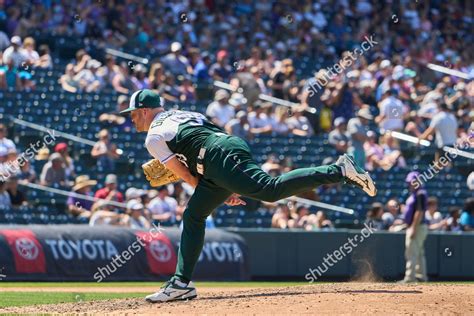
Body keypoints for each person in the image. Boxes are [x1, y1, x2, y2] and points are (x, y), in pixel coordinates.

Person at [119, 89, 376, 302]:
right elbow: (206, 141)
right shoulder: (183, 113)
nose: (131, 119)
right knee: (194, 214)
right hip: (220, 153)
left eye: (132, 113)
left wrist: (224, 180)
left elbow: (186, 177)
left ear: (143, 110)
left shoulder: (153, 137)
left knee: (270, 190)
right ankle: (181, 283)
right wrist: (225, 184)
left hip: (214, 158)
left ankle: (339, 169)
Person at [400, 171, 428, 283]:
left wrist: (413, 228)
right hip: (419, 226)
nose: (410, 184)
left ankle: (410, 277)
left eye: (412, 182)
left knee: (411, 252)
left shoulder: (420, 193)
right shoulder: (417, 193)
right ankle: (421, 276)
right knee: (419, 252)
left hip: (417, 226)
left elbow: (419, 212)